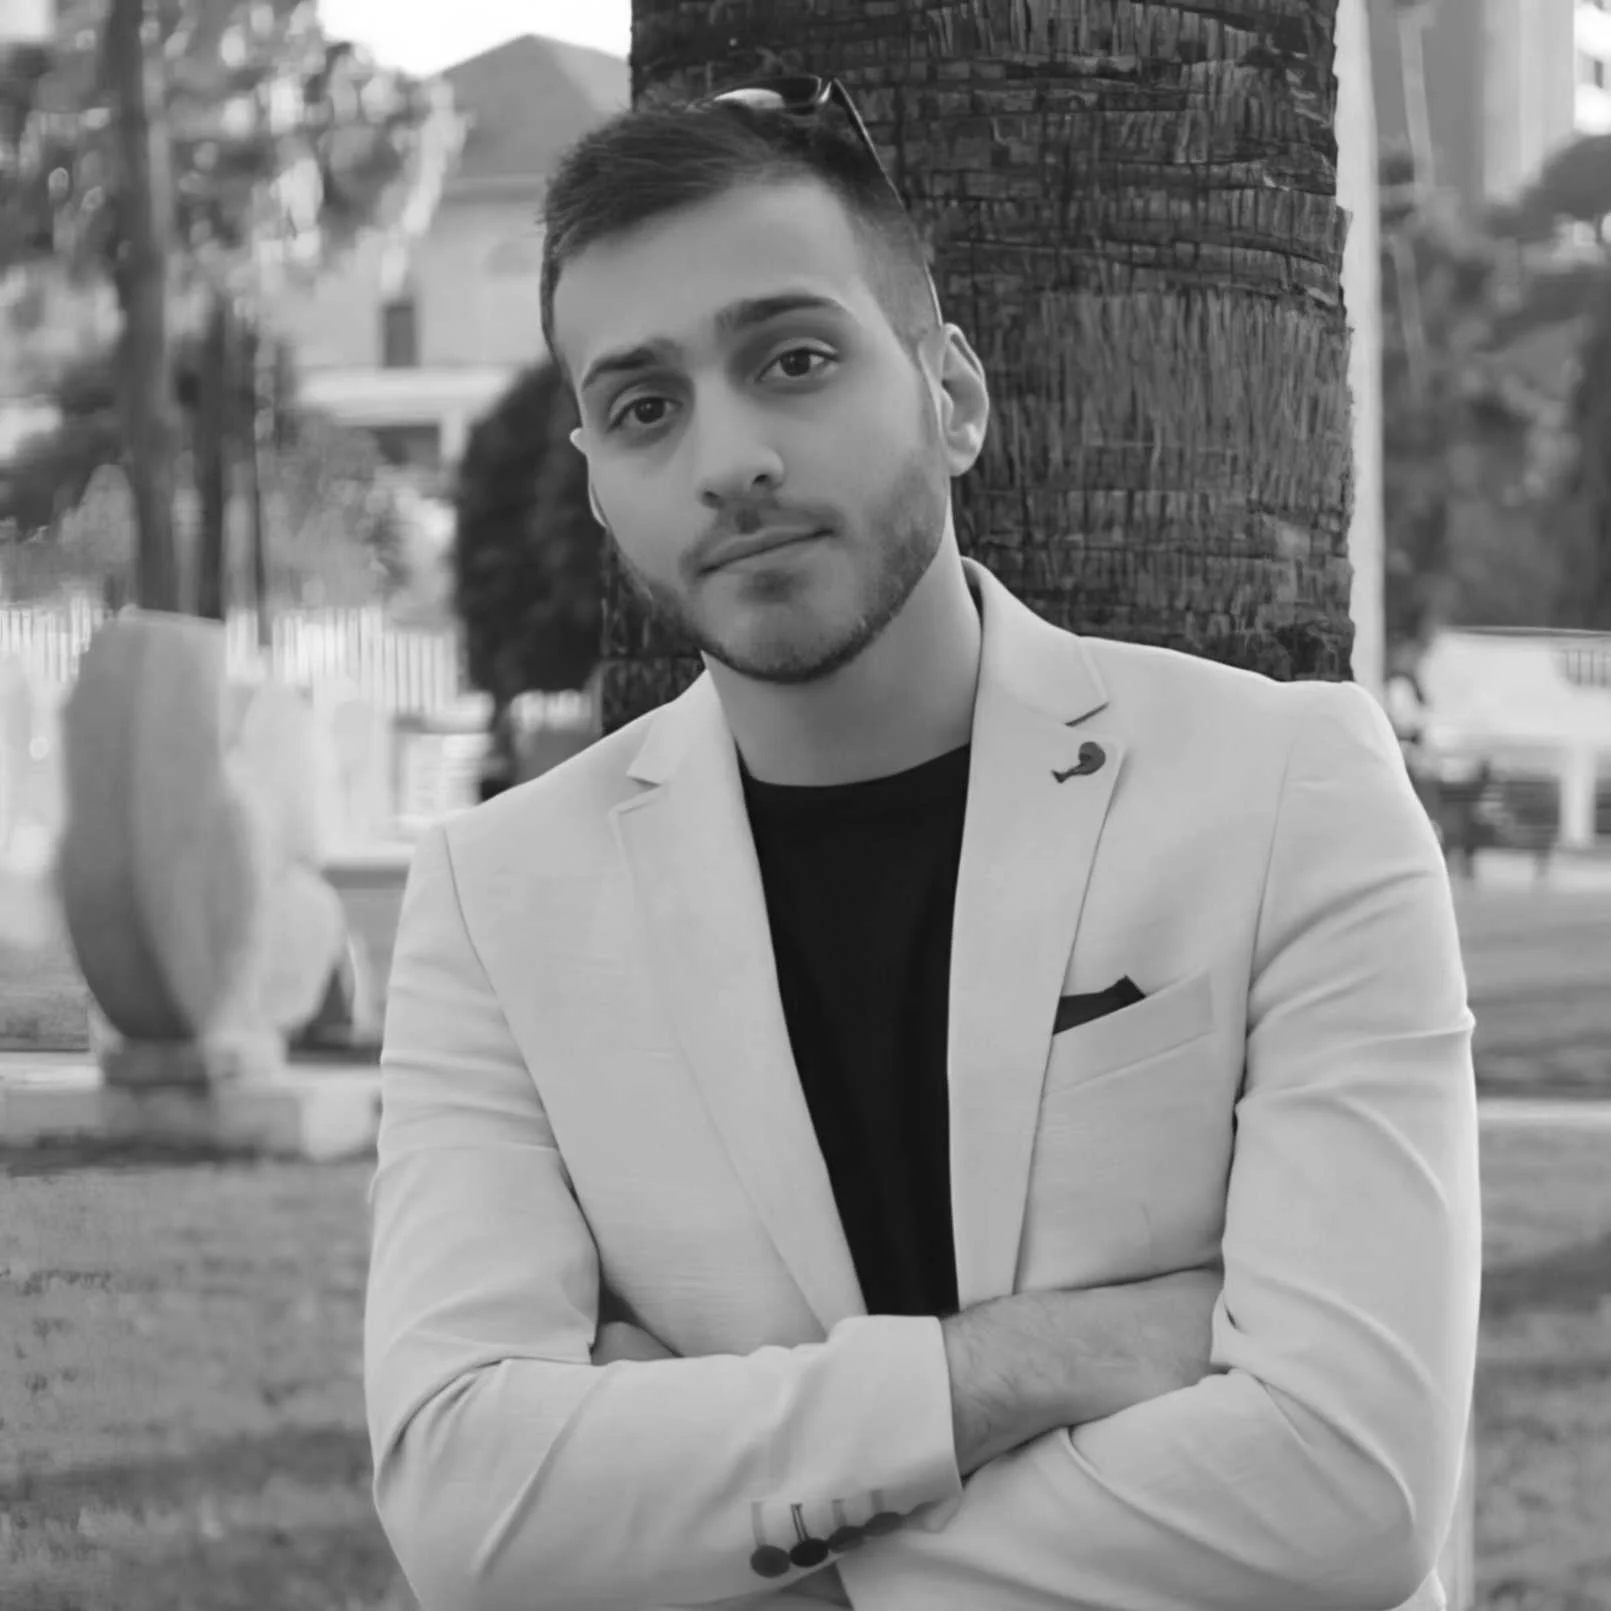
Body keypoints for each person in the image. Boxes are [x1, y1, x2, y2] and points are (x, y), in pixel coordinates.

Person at [363, 75, 1480, 1611]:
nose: (727, 455)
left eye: (794, 358)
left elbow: (1351, 1485)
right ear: (603, 491)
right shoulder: (498, 900)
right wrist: (1036, 1362)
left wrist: (763, 1555)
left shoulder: (1286, 789)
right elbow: (466, 1506)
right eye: (644, 406)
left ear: (949, 396)